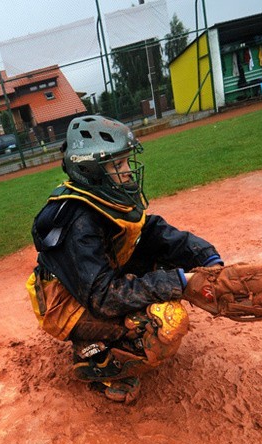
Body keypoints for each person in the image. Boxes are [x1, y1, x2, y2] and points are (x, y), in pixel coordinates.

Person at [26, 115, 225, 403]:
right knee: (161, 323)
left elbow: (153, 231)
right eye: (117, 165)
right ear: (90, 171)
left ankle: (104, 342)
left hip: (93, 285)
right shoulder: (79, 221)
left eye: (125, 161)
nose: (128, 171)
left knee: (166, 261)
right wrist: (180, 282)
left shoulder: (104, 196)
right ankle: (94, 358)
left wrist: (207, 259)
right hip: (67, 305)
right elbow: (104, 296)